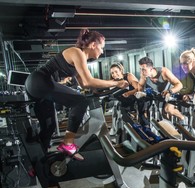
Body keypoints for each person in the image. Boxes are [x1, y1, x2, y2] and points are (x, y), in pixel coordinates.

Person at [25, 29, 129, 160]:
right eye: (101, 47)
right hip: (41, 81)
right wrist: (115, 83)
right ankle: (68, 143)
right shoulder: (77, 52)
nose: (102, 51)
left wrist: (99, 90)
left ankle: (37, 162)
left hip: (35, 85)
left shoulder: (80, 58)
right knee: (80, 101)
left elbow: (85, 84)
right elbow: (88, 80)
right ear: (93, 45)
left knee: (48, 128)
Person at [137, 56, 183, 124]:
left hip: (172, 92)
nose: (142, 72)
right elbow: (140, 85)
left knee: (168, 109)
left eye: (144, 69)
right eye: (140, 69)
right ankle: (170, 128)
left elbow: (179, 85)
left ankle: (183, 119)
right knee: (160, 114)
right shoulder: (144, 75)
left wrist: (170, 91)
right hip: (160, 94)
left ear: (151, 68)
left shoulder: (164, 72)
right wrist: (140, 92)